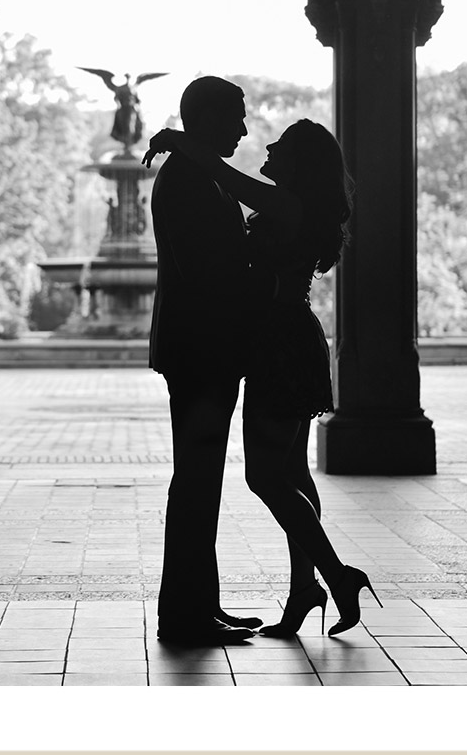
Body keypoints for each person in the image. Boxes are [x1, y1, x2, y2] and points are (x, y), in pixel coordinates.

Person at [144, 116, 379, 639]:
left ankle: (337, 577)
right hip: (286, 341)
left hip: (280, 346)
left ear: (299, 164)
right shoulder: (294, 205)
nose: (264, 142)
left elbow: (226, 179)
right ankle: (304, 588)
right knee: (292, 474)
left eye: (281, 145)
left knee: (264, 477)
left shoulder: (286, 204)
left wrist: (181, 140)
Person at [147, 75, 260, 645]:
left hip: (199, 347)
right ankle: (186, 614)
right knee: (196, 480)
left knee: (199, 480)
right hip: (202, 348)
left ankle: (198, 606)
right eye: (235, 116)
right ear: (207, 118)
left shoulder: (193, 173)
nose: (243, 128)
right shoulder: (190, 179)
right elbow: (207, 272)